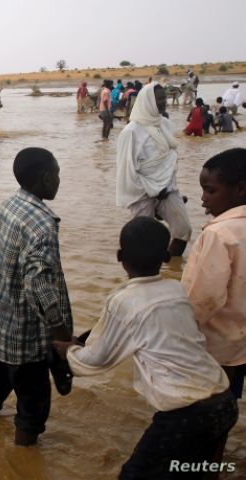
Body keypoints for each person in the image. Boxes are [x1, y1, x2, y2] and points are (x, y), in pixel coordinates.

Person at [54, 217, 237, 479]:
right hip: (223, 401)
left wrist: (65, 350)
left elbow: (95, 360)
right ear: (165, 256)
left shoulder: (123, 300)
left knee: (133, 475)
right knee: (196, 473)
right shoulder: (176, 290)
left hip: (185, 414)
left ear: (120, 256)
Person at [0, 147, 73, 447]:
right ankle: (23, 458)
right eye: (56, 173)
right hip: (26, 340)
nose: (59, 178)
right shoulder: (43, 225)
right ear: (45, 178)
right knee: (33, 407)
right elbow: (39, 286)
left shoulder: (7, 206)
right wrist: (60, 334)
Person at [182, 148, 246, 401]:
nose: (203, 199)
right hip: (240, 341)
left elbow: (202, 297)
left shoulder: (218, 235)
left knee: (210, 404)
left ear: (239, 189)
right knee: (229, 400)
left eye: (210, 191)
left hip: (216, 346)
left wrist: (181, 334)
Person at [115, 83, 190, 256]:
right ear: (148, 102)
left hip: (168, 189)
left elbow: (167, 160)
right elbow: (127, 170)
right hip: (143, 193)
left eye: (164, 98)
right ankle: (144, 277)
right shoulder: (131, 132)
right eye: (160, 99)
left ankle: (170, 266)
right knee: (142, 239)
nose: (164, 102)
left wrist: (164, 187)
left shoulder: (166, 124)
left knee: (184, 230)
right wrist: (153, 191)